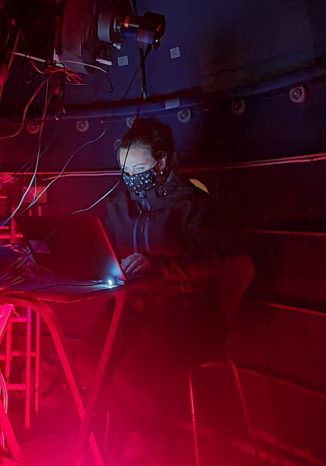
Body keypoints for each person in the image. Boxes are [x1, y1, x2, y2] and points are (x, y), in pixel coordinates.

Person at [86, 118, 237, 464]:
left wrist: (159, 266)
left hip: (187, 313)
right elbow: (105, 246)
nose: (132, 178)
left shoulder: (193, 203)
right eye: (125, 170)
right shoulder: (119, 206)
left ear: (163, 162)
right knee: (87, 365)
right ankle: (134, 437)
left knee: (131, 381)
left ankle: (160, 443)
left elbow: (213, 261)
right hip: (137, 309)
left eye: (139, 168)